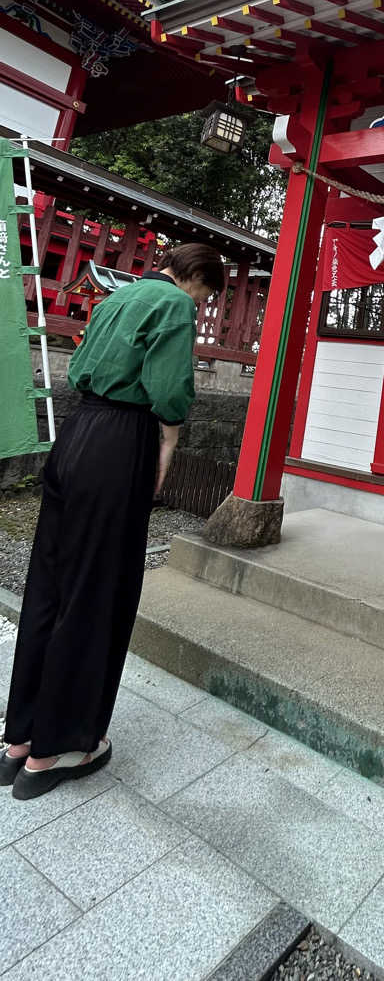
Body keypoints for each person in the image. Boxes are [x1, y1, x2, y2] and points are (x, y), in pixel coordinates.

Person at [0, 242, 225, 800]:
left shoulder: (115, 297)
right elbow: (169, 389)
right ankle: (54, 749)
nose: (200, 302)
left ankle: (19, 741)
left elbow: (77, 366)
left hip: (76, 436)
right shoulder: (174, 303)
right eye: (205, 291)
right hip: (121, 441)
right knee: (96, 591)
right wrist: (168, 439)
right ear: (194, 276)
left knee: (49, 584)